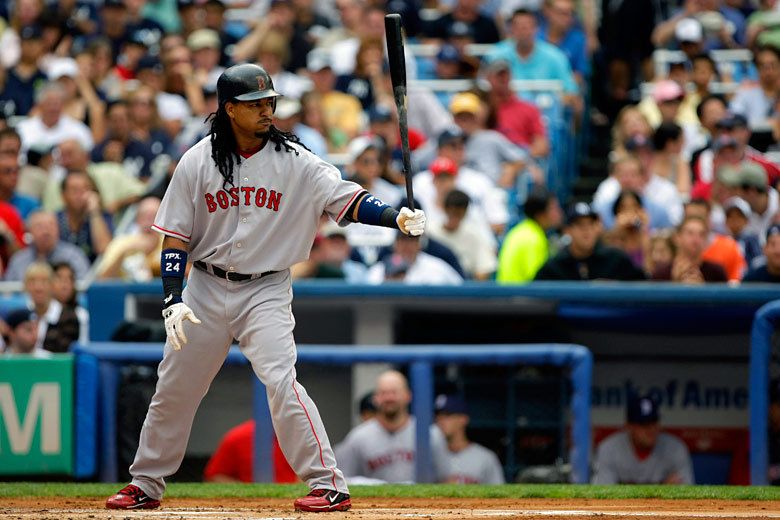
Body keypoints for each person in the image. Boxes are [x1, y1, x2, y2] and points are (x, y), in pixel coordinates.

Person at [104, 64, 426, 513]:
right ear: (229, 109)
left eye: (270, 102)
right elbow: (174, 236)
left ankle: (328, 483)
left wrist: (395, 217)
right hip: (205, 288)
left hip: (266, 289)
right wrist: (173, 297)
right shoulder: (197, 161)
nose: (266, 110)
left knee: (281, 380)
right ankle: (146, 482)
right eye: (256, 104)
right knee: (174, 386)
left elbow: (346, 199)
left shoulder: (296, 160)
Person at [335, 370, 451, 483]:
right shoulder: (358, 437)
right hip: (375, 502)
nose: (389, 398)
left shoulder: (430, 433)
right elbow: (343, 480)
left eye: (395, 392)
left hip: (423, 502)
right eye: (384, 393)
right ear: (375, 398)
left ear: (408, 395)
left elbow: (446, 479)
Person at [592, 394, 694, 484]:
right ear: (628, 427)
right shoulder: (609, 449)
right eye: (643, 424)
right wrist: (662, 490)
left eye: (653, 422)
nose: (651, 430)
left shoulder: (675, 449)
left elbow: (688, 495)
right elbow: (603, 497)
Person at [534, 202, 647, 281]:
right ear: (567, 230)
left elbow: (643, 287)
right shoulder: (555, 267)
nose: (586, 230)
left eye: (591, 224)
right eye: (580, 225)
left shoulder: (616, 259)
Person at [434, 394, 505, 484]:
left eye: (448, 415)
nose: (441, 420)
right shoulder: (431, 457)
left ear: (464, 419)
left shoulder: (485, 458)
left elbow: (499, 495)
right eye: (438, 416)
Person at [427, 189, 497, 280]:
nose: (454, 218)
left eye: (459, 214)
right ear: (444, 209)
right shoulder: (430, 232)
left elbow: (483, 269)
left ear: (465, 212)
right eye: (451, 213)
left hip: (464, 285)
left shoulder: (474, 235)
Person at [497, 186, 562, 283]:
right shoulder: (533, 239)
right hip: (518, 296)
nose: (559, 212)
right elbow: (538, 281)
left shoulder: (523, 230)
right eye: (554, 208)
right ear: (540, 214)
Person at [5, 211, 90, 281]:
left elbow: (83, 289)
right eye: (40, 226)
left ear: (58, 229)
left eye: (51, 225)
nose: (46, 231)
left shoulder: (73, 256)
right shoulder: (19, 260)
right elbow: (7, 294)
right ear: (29, 231)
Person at [203, 420, 297, 484]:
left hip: (294, 502)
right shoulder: (238, 437)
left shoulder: (302, 436)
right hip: (248, 506)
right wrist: (244, 491)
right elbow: (214, 476)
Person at [23, 262, 81, 353]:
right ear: (25, 286)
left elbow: (63, 354)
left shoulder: (69, 318)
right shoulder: (20, 316)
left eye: (44, 281)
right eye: (32, 281)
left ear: (52, 285)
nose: (38, 288)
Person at [652, 217, 728, 283]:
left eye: (701, 234)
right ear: (677, 237)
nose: (696, 239)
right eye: (690, 233)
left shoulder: (716, 272)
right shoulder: (660, 274)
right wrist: (675, 284)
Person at [367, 232, 463, 285]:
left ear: (419, 244)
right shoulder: (379, 270)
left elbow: (461, 287)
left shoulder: (438, 267)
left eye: (411, 241)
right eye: (403, 241)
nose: (407, 246)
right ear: (395, 245)